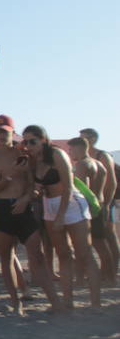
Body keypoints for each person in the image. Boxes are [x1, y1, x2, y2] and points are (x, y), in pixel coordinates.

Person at [0, 115, 62, 315]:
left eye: (5, 131)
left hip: (23, 206)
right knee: (6, 257)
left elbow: (35, 182)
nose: (1, 135)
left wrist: (26, 198)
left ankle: (54, 301)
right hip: (2, 206)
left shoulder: (24, 153)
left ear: (12, 132)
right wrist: (11, 175)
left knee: (37, 254)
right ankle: (16, 303)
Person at [24, 126, 100, 309]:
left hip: (71, 204)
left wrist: (60, 217)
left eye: (32, 141)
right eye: (25, 142)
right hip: (49, 205)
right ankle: (68, 300)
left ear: (43, 139)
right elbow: (35, 186)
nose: (28, 146)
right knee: (63, 254)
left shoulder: (57, 155)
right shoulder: (33, 160)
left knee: (84, 254)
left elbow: (67, 187)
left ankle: (96, 303)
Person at [67, 137, 113, 281]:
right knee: (102, 244)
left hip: (88, 208)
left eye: (70, 149)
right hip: (100, 204)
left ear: (78, 148)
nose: (69, 152)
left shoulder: (82, 164)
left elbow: (82, 188)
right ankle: (109, 276)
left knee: (86, 245)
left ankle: (82, 277)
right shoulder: (99, 164)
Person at [79, 128, 118, 283]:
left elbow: (112, 182)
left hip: (104, 201)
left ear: (93, 139)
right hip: (91, 202)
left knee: (108, 237)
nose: (82, 141)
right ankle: (106, 272)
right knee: (100, 238)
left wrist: (107, 204)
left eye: (84, 138)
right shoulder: (83, 156)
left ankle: (112, 273)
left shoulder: (102, 155)